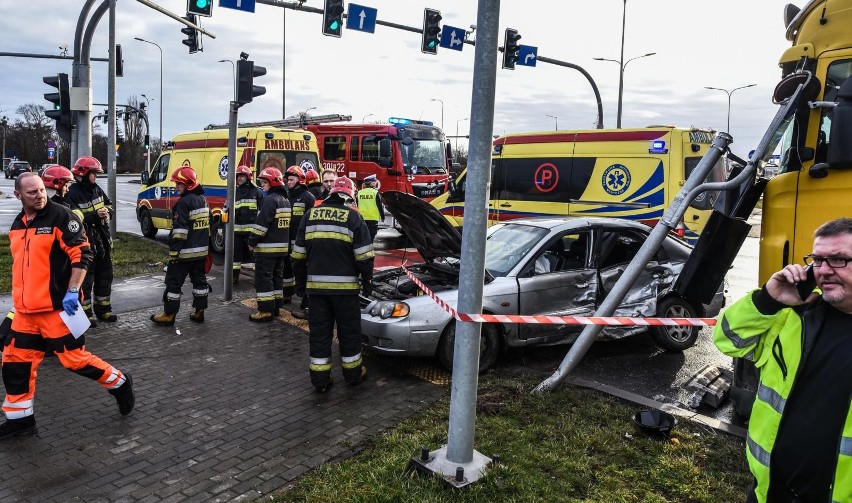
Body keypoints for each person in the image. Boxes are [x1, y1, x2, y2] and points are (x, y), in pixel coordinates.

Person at [714, 217, 852, 503]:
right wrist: (769, 299)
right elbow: (728, 340)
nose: (824, 270)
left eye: (839, 260)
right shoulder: (797, 315)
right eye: (818, 260)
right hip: (769, 491)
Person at [0, 173, 134, 438]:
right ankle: (20, 421)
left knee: (74, 360)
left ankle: (120, 383)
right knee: (15, 363)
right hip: (25, 313)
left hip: (57, 310)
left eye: (41, 190)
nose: (39, 195)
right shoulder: (18, 224)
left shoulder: (62, 217)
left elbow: (82, 253)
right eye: (31, 192)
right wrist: (14, 311)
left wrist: (73, 291)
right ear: (18, 196)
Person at [292, 177, 374, 393]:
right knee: (349, 333)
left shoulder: (310, 216)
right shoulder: (354, 217)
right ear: (350, 196)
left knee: (319, 335)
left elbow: (298, 256)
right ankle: (353, 375)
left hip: (317, 292)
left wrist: (300, 286)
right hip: (346, 293)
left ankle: (320, 381)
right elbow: (365, 258)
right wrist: (368, 283)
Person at [150, 166, 211, 326]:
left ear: (188, 184)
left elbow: (180, 231)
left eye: (179, 184)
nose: (176, 186)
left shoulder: (183, 203)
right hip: (200, 253)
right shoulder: (203, 200)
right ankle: (199, 312)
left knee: (173, 283)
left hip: (184, 254)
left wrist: (174, 252)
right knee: (200, 282)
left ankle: (168, 315)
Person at [66, 156, 118, 326]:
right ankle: (86, 313)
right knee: (86, 281)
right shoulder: (72, 193)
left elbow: (109, 204)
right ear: (84, 173)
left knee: (105, 276)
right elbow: (74, 217)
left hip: (101, 242)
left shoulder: (96, 189)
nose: (96, 177)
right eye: (94, 173)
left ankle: (103, 310)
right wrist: (95, 215)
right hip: (86, 243)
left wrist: (107, 212)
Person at [247, 167, 291, 322]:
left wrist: (252, 241)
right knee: (276, 277)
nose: (262, 185)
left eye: (265, 182)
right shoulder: (285, 200)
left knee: (263, 278)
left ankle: (265, 310)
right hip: (281, 249)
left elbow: (261, 225)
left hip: (267, 250)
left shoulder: (270, 200)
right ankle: (276, 307)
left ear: (273, 183)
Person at [284, 166, 316, 319]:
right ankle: (287, 294)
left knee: (304, 273)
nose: (288, 182)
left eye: (291, 179)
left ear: (300, 180)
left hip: (301, 243)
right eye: (288, 179)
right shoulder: (286, 197)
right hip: (286, 241)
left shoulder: (308, 197)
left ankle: (307, 306)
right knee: (287, 270)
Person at [230, 165, 264, 283]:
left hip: (251, 231)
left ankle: (258, 278)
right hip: (236, 230)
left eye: (241, 176)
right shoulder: (234, 192)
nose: (239, 178)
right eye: (237, 176)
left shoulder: (257, 192)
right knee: (235, 257)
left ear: (248, 177)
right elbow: (226, 208)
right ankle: (234, 277)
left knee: (255, 256)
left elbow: (262, 211)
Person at [357, 174, 385, 242]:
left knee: (363, 236)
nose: (376, 183)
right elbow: (379, 206)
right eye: (374, 182)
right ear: (371, 183)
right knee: (371, 236)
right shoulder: (375, 193)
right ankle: (369, 250)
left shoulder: (359, 193)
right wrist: (382, 216)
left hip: (362, 218)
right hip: (373, 218)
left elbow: (357, 206)